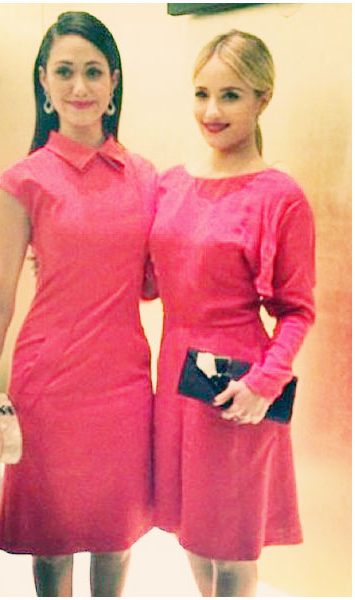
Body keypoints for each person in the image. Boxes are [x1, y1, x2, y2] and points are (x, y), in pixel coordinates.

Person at [0, 11, 157, 597]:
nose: (80, 86)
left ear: (114, 81)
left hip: (124, 386)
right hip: (48, 386)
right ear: (44, 83)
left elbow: (156, 281)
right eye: (65, 71)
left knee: (115, 537)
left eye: (93, 72)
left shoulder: (146, 177)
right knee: (51, 545)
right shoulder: (22, 181)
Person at [150, 30, 315, 596]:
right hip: (173, 376)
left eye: (230, 95)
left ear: (263, 98)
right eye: (201, 94)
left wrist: (265, 384)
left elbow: (297, 310)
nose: (211, 112)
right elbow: (145, 280)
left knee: (232, 544)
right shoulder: (168, 185)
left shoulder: (281, 196)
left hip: (236, 385)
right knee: (192, 535)